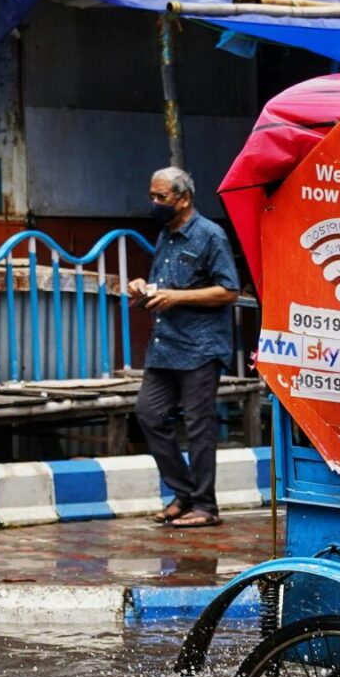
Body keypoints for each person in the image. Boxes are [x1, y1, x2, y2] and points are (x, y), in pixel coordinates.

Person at [132, 168, 241, 529]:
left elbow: (229, 291)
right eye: (152, 196)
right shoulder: (166, 235)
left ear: (184, 198)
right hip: (165, 346)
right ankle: (184, 494)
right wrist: (143, 289)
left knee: (198, 425)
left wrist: (176, 297)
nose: (155, 203)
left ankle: (205, 506)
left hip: (201, 345)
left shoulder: (211, 236)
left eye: (161, 197)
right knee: (149, 414)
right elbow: (167, 285)